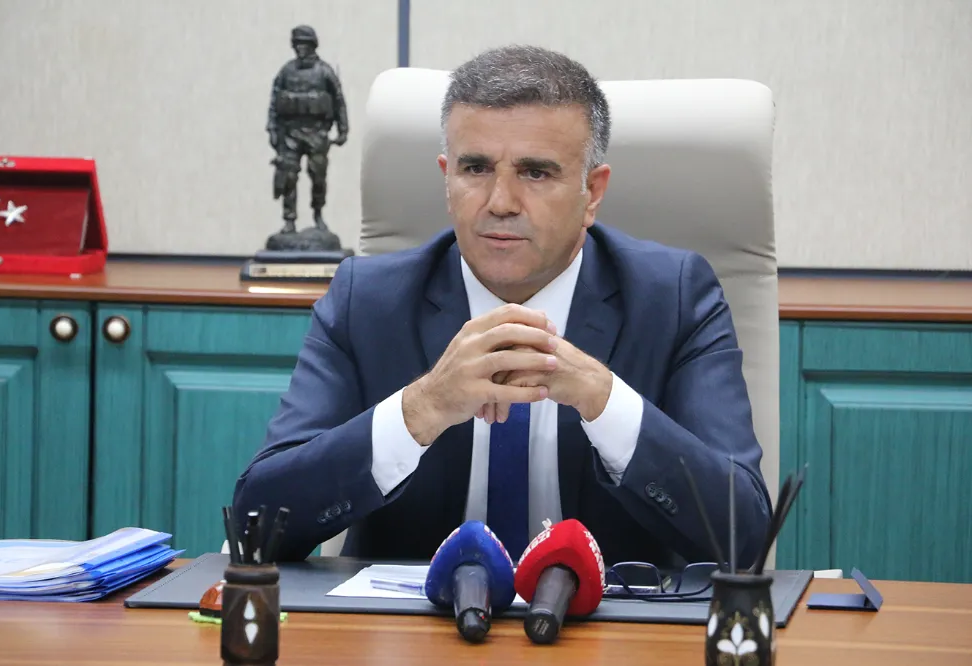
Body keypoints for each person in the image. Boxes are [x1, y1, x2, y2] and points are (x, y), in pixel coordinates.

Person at [234, 45, 772, 569]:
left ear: (592, 192)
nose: (500, 202)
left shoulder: (673, 298)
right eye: (475, 168)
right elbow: (254, 530)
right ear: (447, 179)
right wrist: (421, 408)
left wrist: (604, 400)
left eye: (536, 173)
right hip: (418, 625)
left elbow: (743, 537)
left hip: (606, 625)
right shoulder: (367, 301)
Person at [267, 25, 348, 233]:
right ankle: (289, 219)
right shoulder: (286, 72)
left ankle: (318, 214)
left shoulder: (324, 72)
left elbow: (339, 100)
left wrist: (343, 129)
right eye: (297, 44)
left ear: (312, 45)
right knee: (288, 177)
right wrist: (273, 130)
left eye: (303, 44)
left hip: (317, 133)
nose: (299, 48)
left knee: (318, 176)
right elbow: (274, 102)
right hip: (290, 133)